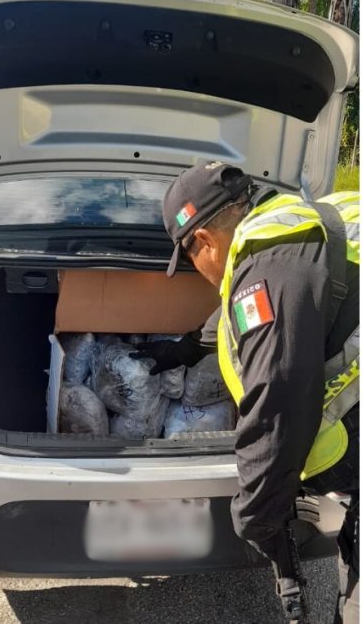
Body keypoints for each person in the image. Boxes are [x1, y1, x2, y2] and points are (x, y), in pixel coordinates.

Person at [132, 162, 359, 622]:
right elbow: (245, 314)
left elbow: (279, 402)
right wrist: (180, 351)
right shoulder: (288, 232)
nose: (198, 272)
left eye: (189, 260)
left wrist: (258, 512)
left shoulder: (271, 268)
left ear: (204, 241)